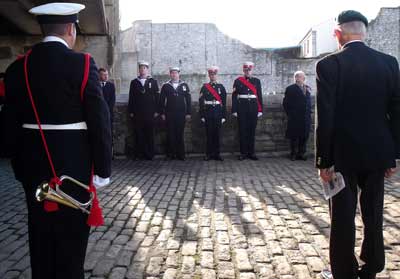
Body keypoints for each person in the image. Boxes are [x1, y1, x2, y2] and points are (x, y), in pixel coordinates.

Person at [2, 3, 112, 279]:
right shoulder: (83, 63)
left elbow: (8, 125)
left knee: (39, 238)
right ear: (70, 29)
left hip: (33, 169)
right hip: (73, 168)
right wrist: (102, 170)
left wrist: (20, 166)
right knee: (71, 244)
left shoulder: (18, 69)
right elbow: (99, 122)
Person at [316, 10, 400, 279]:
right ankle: (373, 265)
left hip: (342, 154)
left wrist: (323, 160)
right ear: (364, 32)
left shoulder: (329, 65)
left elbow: (325, 116)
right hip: (378, 152)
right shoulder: (389, 63)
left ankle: (344, 271)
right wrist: (393, 156)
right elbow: (396, 112)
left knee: (342, 217)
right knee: (374, 212)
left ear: (338, 34)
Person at [128, 61, 159, 160]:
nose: (142, 70)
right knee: (138, 134)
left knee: (150, 134)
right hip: (138, 113)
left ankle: (150, 154)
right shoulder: (134, 82)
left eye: (144, 68)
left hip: (150, 113)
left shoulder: (153, 81)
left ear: (147, 69)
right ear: (139, 70)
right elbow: (131, 97)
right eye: (141, 68)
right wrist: (131, 111)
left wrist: (157, 111)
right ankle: (139, 154)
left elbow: (157, 97)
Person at [232, 61, 263, 160]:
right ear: (243, 70)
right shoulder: (238, 81)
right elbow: (234, 96)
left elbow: (259, 96)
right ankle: (243, 153)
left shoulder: (257, 81)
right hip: (242, 108)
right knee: (242, 131)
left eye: (249, 70)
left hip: (253, 108)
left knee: (252, 131)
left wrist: (260, 109)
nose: (248, 72)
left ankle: (251, 152)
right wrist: (234, 110)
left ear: (252, 70)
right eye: (246, 70)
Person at [159, 67, 191, 160]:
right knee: (170, 134)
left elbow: (188, 100)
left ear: (179, 74)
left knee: (180, 134)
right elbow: (161, 100)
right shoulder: (166, 86)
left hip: (181, 114)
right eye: (172, 73)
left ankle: (181, 154)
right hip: (169, 113)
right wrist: (162, 113)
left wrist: (188, 113)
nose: (174, 74)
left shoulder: (184, 85)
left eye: (176, 73)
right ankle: (171, 154)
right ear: (170, 74)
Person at [199, 66, 227, 161]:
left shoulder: (221, 87)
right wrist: (202, 115)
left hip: (218, 114)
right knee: (209, 135)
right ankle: (209, 154)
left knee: (217, 135)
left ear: (217, 75)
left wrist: (223, 116)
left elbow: (224, 103)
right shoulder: (205, 87)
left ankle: (217, 154)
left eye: (214, 74)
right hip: (208, 114)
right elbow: (201, 102)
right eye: (211, 74)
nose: (213, 76)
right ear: (209, 75)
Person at [283, 71, 312, 161]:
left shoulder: (307, 88)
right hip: (295, 117)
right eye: (300, 77)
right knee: (294, 137)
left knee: (304, 136)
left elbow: (308, 101)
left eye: (303, 77)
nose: (302, 79)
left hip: (305, 117)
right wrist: (291, 114)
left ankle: (301, 153)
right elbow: (285, 103)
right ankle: (293, 154)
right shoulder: (290, 89)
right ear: (296, 78)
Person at [99, 68, 115, 138]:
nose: (106, 76)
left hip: (108, 114)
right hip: (98, 114)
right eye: (104, 75)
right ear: (99, 75)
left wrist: (107, 111)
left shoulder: (111, 86)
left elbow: (112, 101)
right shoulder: (95, 85)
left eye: (107, 75)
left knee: (108, 134)